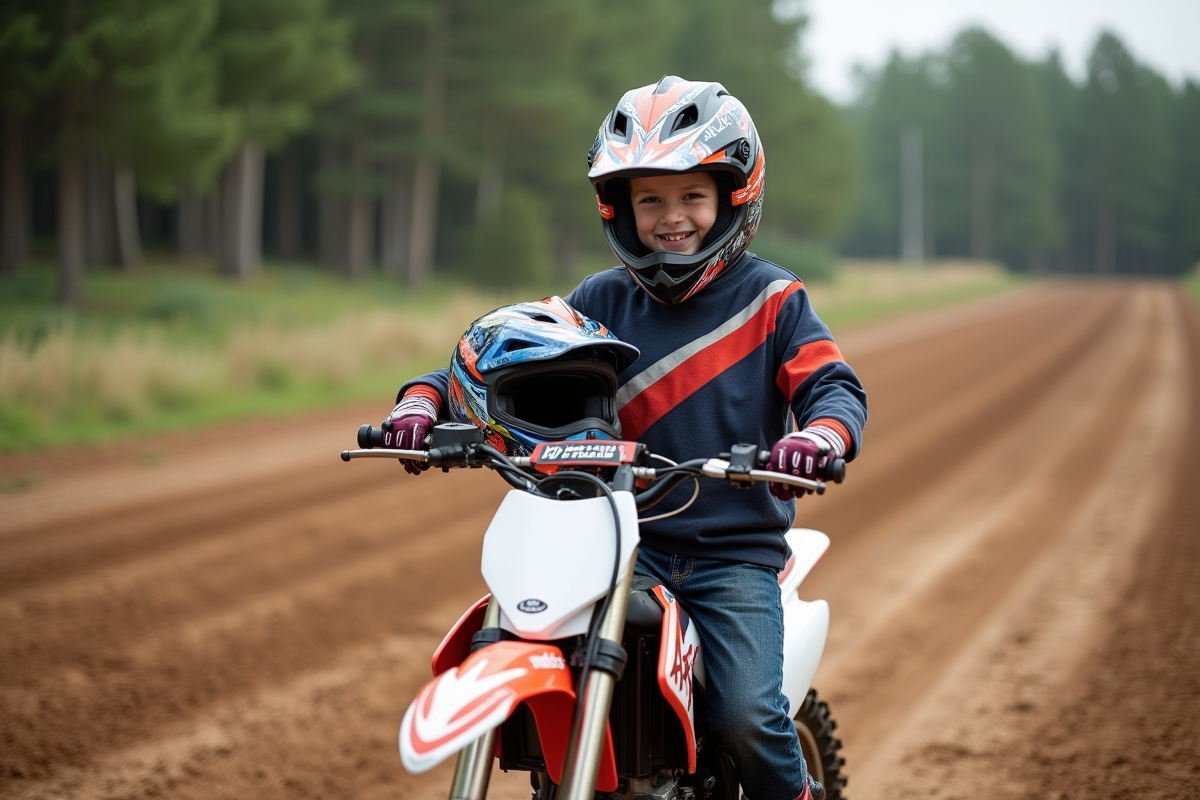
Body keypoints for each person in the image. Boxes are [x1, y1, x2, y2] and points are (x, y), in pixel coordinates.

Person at [388, 76, 867, 800]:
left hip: (729, 558)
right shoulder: (597, 302)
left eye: (691, 197)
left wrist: (822, 437)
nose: (671, 217)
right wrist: (423, 407)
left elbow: (833, 386)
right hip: (612, 548)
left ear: (735, 196)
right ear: (620, 208)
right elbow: (491, 364)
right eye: (650, 199)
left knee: (745, 716)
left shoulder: (773, 301)